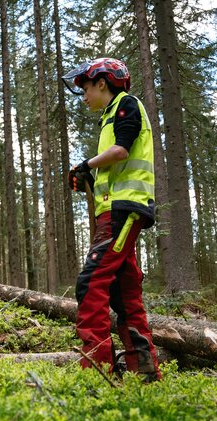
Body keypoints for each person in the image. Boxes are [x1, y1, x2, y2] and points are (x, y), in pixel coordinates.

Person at [62, 58, 161, 382]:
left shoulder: (126, 106)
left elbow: (122, 151)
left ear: (102, 83)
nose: (84, 96)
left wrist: (86, 164)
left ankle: (98, 371)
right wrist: (88, 178)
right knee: (124, 292)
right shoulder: (109, 117)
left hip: (124, 210)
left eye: (86, 89)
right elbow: (115, 166)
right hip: (113, 211)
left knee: (90, 283)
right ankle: (143, 369)